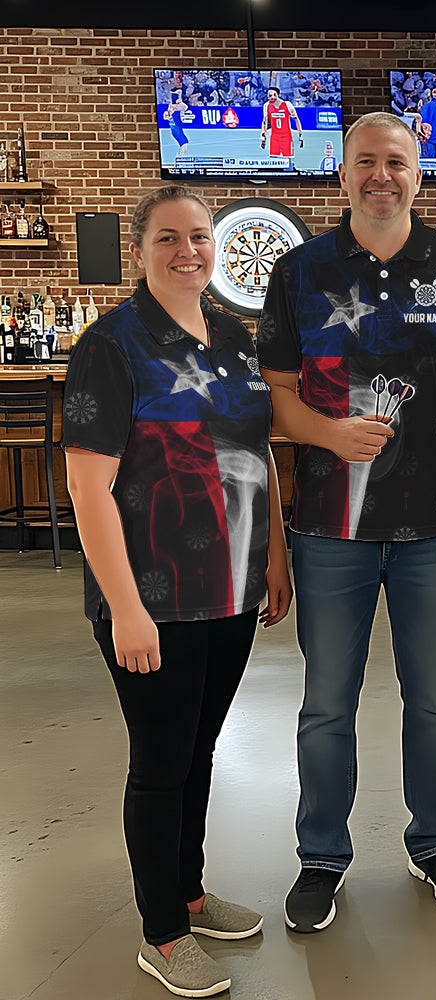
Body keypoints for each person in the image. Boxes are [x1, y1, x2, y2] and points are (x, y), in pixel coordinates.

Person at [257, 111, 436, 933]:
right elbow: (277, 398)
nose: (380, 175)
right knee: (327, 703)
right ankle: (321, 856)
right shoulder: (300, 270)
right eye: (365, 161)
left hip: (435, 525)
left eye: (395, 162)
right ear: (341, 173)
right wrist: (331, 435)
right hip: (328, 527)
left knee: (432, 699)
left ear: (418, 174)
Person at [62, 185, 293, 997]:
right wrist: (125, 607)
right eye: (168, 238)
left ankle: (189, 893)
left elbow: (257, 451)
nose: (187, 251)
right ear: (138, 252)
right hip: (152, 598)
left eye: (198, 237)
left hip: (230, 589)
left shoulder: (232, 337)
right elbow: (88, 489)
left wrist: (273, 557)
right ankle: (162, 933)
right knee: (160, 764)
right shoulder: (111, 346)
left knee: (200, 751)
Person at [261, 86, 303, 158]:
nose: (272, 97)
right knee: (273, 158)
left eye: (274, 95)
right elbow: (265, 121)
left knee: (288, 157)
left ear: (278, 95)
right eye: (270, 95)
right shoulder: (266, 105)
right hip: (274, 137)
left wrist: (300, 134)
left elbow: (296, 119)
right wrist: (263, 136)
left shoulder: (287, 104)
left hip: (286, 136)